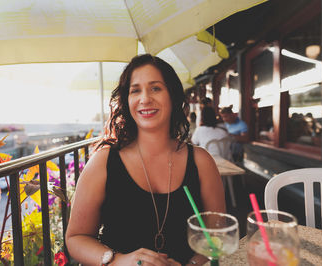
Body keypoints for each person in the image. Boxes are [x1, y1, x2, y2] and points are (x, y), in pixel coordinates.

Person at [66, 54, 225, 266]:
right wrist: (118, 261)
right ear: (127, 100)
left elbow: (219, 233)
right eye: (135, 90)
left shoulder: (201, 161)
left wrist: (193, 264)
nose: (145, 98)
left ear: (173, 96)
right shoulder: (104, 162)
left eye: (156, 88)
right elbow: (76, 238)